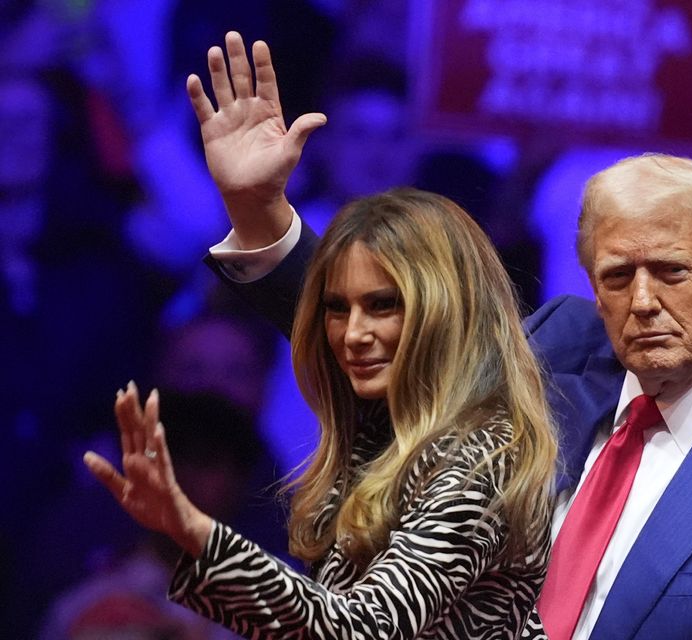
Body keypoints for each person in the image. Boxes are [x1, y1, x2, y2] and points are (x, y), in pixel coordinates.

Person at [162, 32, 692, 638]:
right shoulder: (559, 353)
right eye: (614, 276)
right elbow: (383, 333)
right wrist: (260, 213)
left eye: (670, 272)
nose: (640, 301)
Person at [84, 34, 557, 639]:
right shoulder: (393, 418)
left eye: (382, 307)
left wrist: (194, 533)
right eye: (338, 309)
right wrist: (253, 205)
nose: (352, 334)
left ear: (439, 313)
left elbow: (359, 628)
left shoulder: (477, 453)